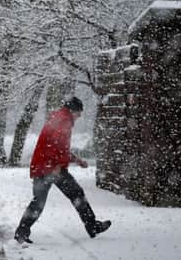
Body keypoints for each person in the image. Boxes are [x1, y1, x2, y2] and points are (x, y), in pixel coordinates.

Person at [14, 96, 111, 244]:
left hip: (45, 166)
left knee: (38, 202)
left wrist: (76, 160)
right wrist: (58, 165)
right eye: (79, 113)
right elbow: (56, 146)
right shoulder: (64, 120)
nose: (79, 116)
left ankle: (21, 233)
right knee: (76, 194)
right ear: (72, 110)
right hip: (51, 169)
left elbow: (60, 147)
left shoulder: (59, 118)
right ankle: (92, 227)